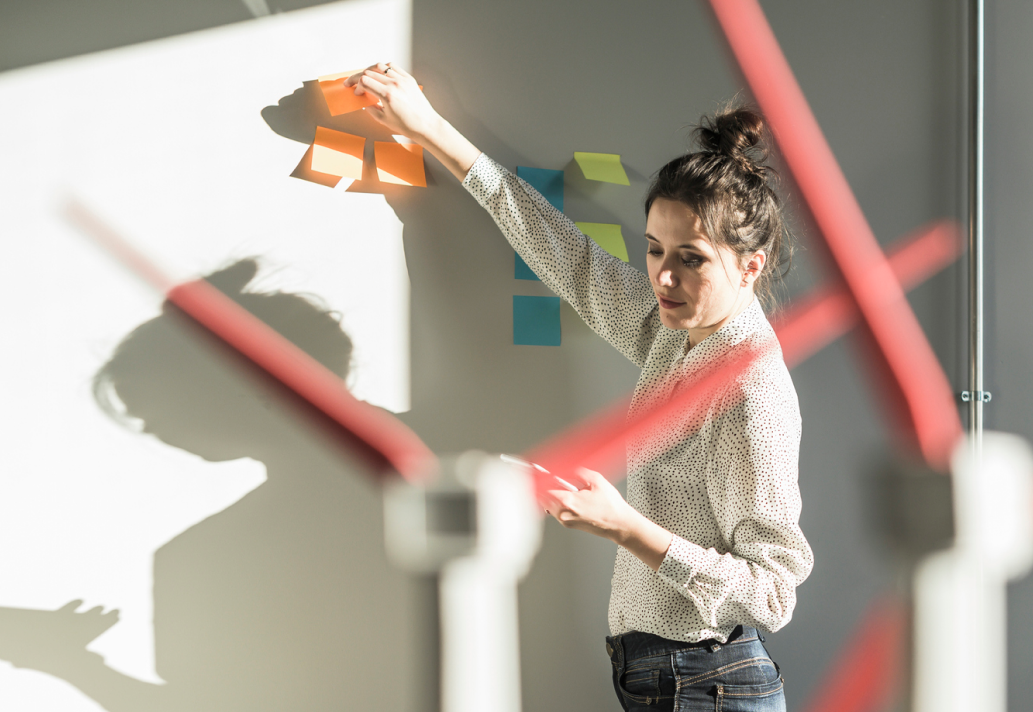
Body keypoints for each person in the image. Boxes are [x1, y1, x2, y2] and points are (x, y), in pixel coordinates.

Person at [344, 63, 814, 711]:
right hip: (664, 679)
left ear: (751, 265)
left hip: (711, 686)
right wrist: (428, 129)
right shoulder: (671, 334)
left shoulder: (749, 390)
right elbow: (563, 253)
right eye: (655, 250)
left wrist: (623, 527)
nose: (665, 279)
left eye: (692, 259)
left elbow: (771, 594)